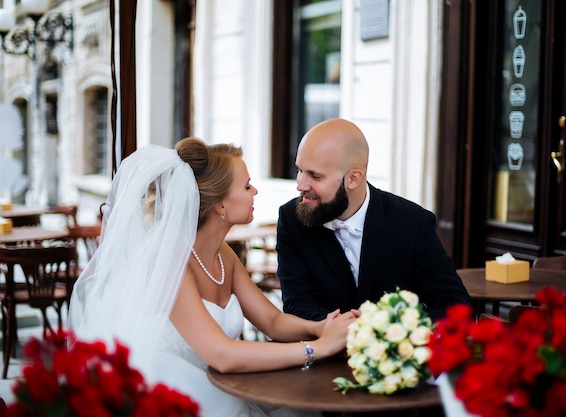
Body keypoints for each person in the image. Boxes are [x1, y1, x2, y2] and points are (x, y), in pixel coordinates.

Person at [68, 137, 357, 417]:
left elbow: (272, 321)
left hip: (218, 380)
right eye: (246, 186)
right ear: (220, 204)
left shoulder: (224, 255)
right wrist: (318, 348)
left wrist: (321, 327)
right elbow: (223, 355)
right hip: (173, 392)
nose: (255, 191)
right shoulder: (171, 262)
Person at [277, 118, 472, 322]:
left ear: (354, 178)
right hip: (323, 351)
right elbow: (297, 304)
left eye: (315, 176)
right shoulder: (291, 219)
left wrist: (393, 328)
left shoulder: (412, 223)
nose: (300, 185)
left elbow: (456, 307)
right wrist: (349, 328)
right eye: (299, 170)